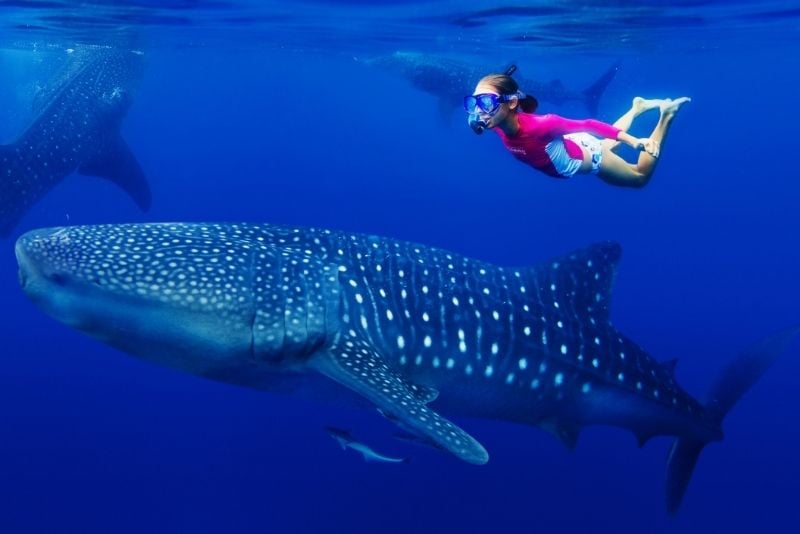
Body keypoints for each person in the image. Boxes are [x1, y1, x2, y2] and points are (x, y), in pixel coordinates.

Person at [464, 66, 690, 188]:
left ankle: (666, 115)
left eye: (486, 103)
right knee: (603, 145)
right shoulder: (496, 122)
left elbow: (589, 124)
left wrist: (634, 141)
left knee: (639, 177)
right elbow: (485, 112)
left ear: (512, 103)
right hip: (576, 146)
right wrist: (487, 101)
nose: (479, 112)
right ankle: (637, 108)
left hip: (592, 158)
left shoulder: (542, 125)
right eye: (474, 103)